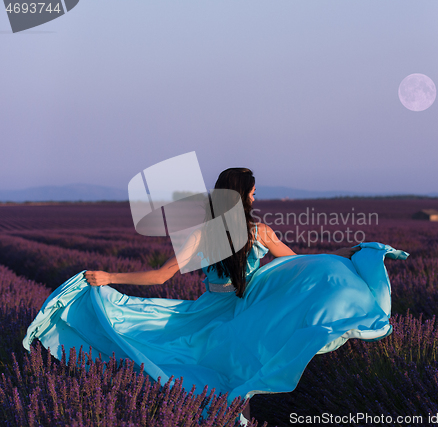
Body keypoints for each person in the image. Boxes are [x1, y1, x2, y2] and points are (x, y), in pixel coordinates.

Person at [23, 168, 409, 426]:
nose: (256, 199)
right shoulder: (260, 232)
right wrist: (350, 255)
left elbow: (160, 277)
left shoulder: (202, 234)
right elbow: (300, 265)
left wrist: (111, 277)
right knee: (240, 376)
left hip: (209, 314)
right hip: (251, 312)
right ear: (244, 195)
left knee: (166, 351)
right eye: (254, 193)